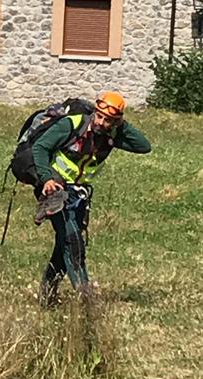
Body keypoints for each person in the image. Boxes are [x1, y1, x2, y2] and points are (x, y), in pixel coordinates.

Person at [31, 91, 151, 306]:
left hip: (79, 195)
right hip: (55, 189)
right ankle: (85, 296)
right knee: (72, 240)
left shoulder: (111, 134)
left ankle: (46, 296)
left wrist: (122, 125)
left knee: (64, 244)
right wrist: (46, 178)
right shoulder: (71, 124)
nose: (101, 122)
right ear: (94, 112)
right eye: (99, 116)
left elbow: (143, 146)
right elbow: (40, 147)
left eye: (108, 120)